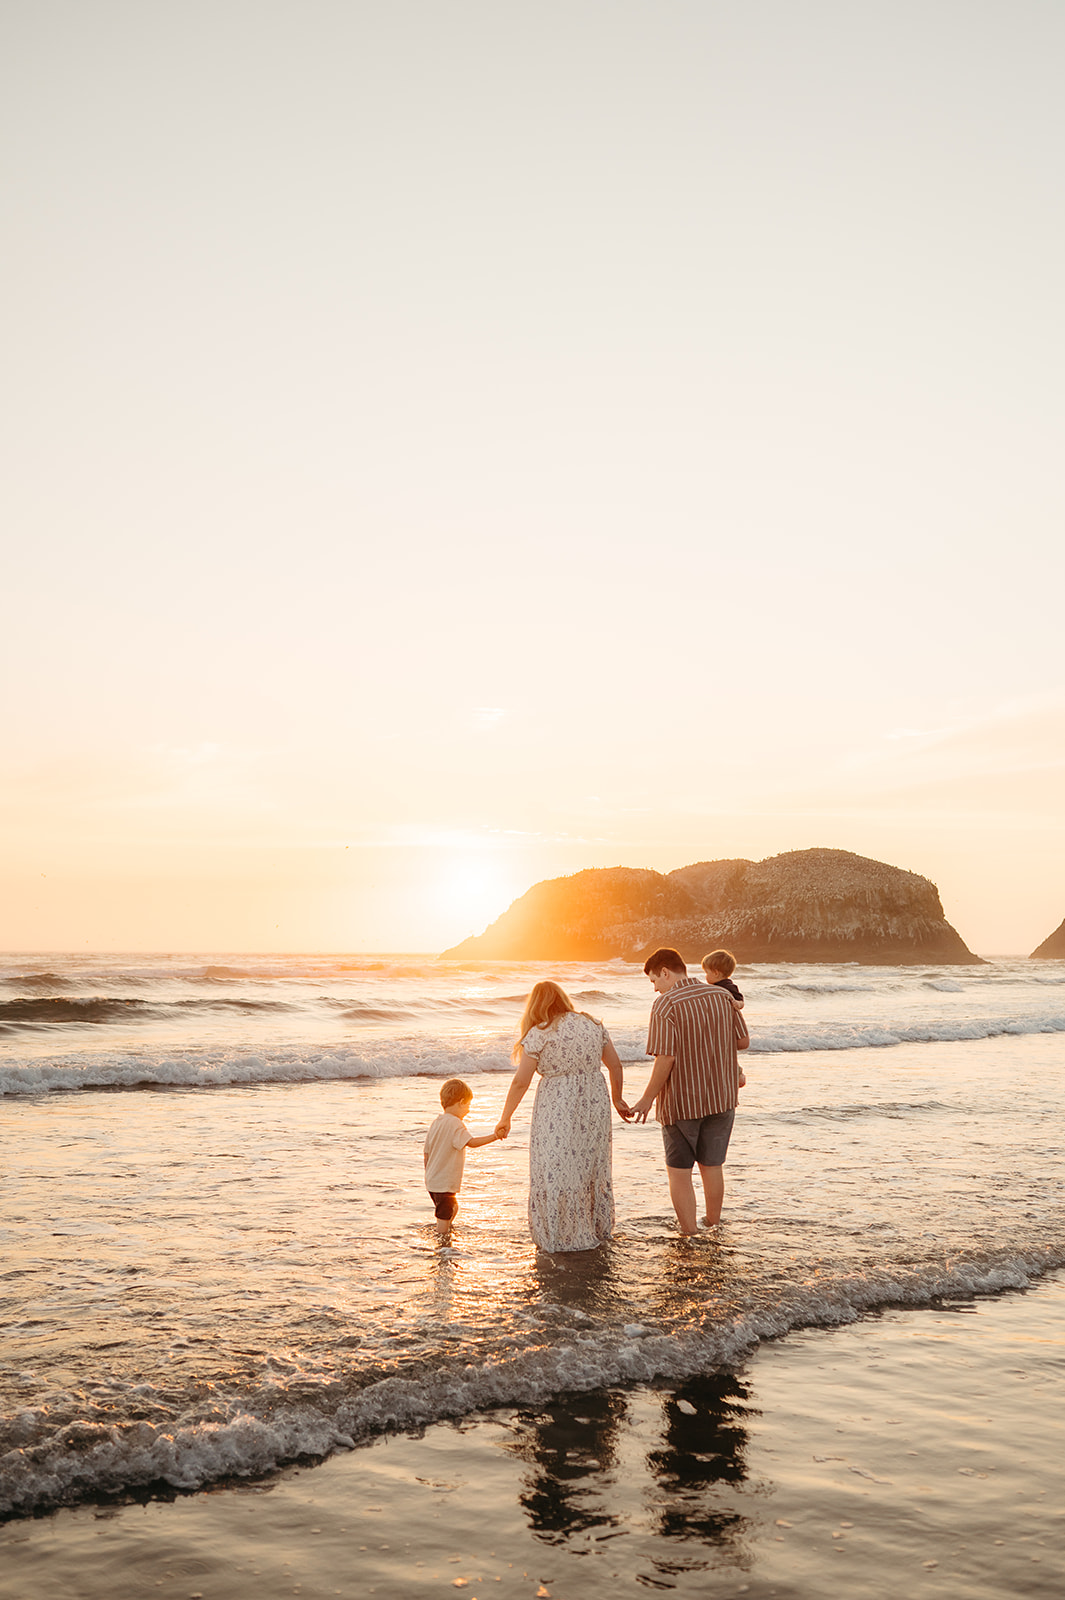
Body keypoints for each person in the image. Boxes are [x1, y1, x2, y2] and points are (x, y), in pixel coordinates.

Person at [495, 981, 630, 1252]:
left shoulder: (540, 1032)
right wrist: (617, 1099)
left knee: (555, 1167)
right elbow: (615, 1065)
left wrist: (505, 1117)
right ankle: (595, 1228)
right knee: (589, 1165)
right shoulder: (593, 1024)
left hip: (557, 1104)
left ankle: (559, 1234)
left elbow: (521, 1082)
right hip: (594, 1102)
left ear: (535, 1005)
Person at [631, 948, 749, 1235]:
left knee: (680, 1172)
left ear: (664, 972)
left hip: (681, 1102)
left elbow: (666, 1057)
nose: (655, 988)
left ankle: (689, 1233)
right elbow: (742, 1041)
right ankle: (713, 1225)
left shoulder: (666, 1004)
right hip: (722, 1097)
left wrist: (647, 1099)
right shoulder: (722, 995)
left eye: (654, 981)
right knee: (712, 1166)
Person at [423, 1077, 501, 1233]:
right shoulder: (455, 1123)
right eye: (468, 1105)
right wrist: (495, 1136)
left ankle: (445, 1232)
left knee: (452, 1207)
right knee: (444, 1219)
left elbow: (426, 1153)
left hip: (432, 1181)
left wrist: (429, 1174)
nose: (469, 1110)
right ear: (461, 1102)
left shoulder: (436, 1122)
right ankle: (442, 1241)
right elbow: (471, 1142)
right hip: (444, 1183)